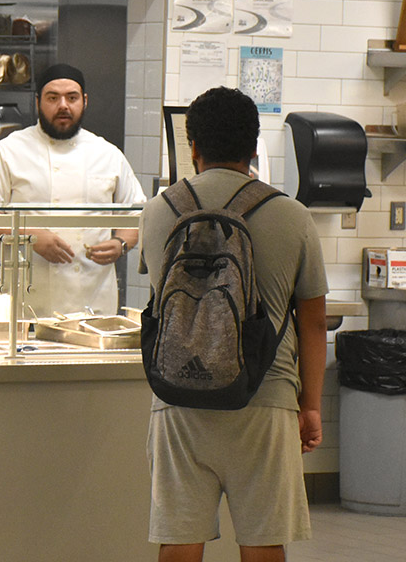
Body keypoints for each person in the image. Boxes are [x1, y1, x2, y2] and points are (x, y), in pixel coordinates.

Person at [137, 86, 328, 562]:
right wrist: (310, 406)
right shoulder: (292, 216)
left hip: (178, 398)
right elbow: (313, 322)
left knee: (179, 537)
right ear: (254, 147)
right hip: (266, 399)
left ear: (193, 146)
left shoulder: (158, 211)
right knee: (263, 540)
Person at [0, 63, 146, 318]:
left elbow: (137, 214)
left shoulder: (107, 154)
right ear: (38, 102)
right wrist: (29, 235)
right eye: (53, 98)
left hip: (94, 306)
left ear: (84, 101)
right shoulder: (8, 152)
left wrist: (121, 244)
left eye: (72, 98)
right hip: (26, 304)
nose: (63, 105)